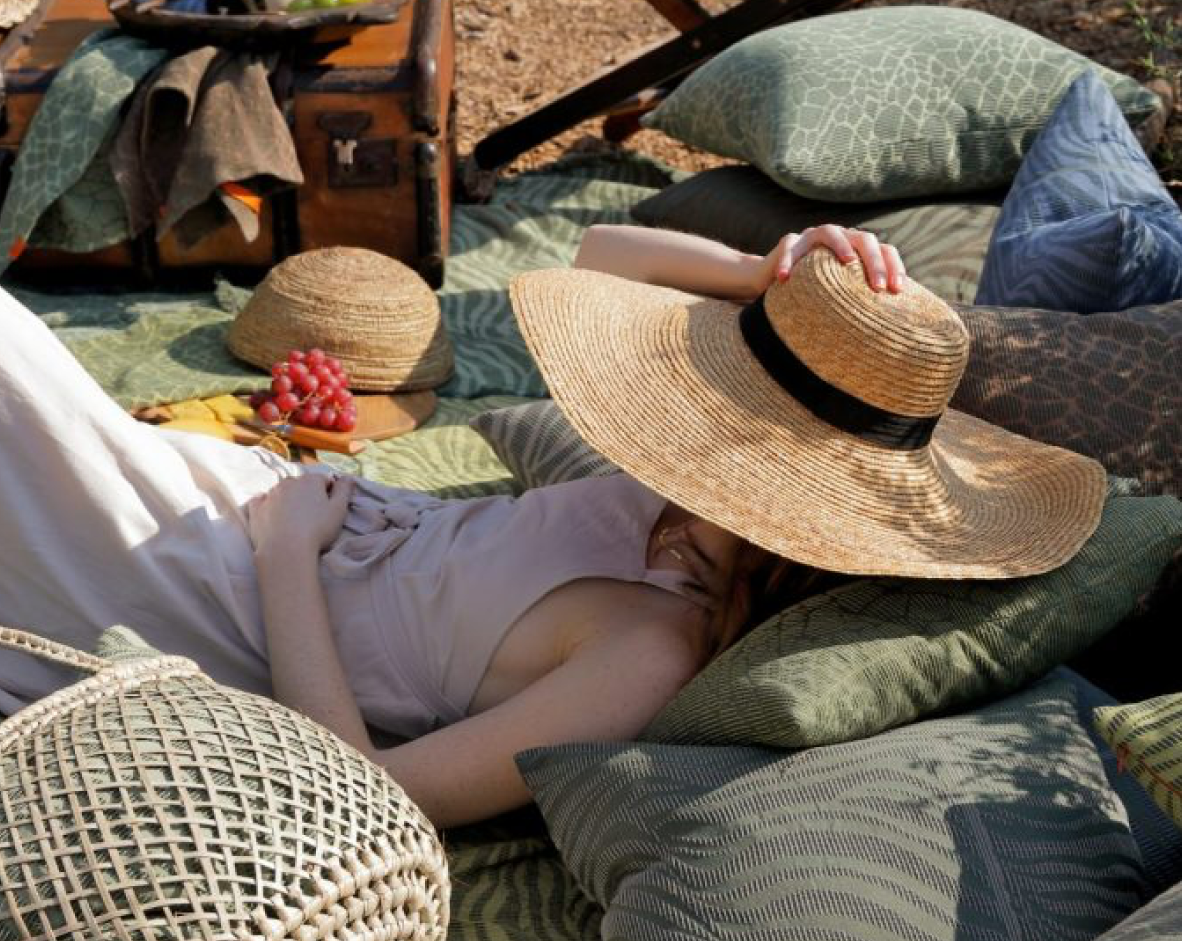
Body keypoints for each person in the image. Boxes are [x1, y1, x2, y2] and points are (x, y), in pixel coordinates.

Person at [0, 225, 1105, 830]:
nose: (696, 427)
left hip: (218, 585)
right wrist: (755, 271)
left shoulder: (647, 652)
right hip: (246, 506)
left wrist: (289, 554)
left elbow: (370, 798)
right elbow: (592, 258)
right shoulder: (677, 498)